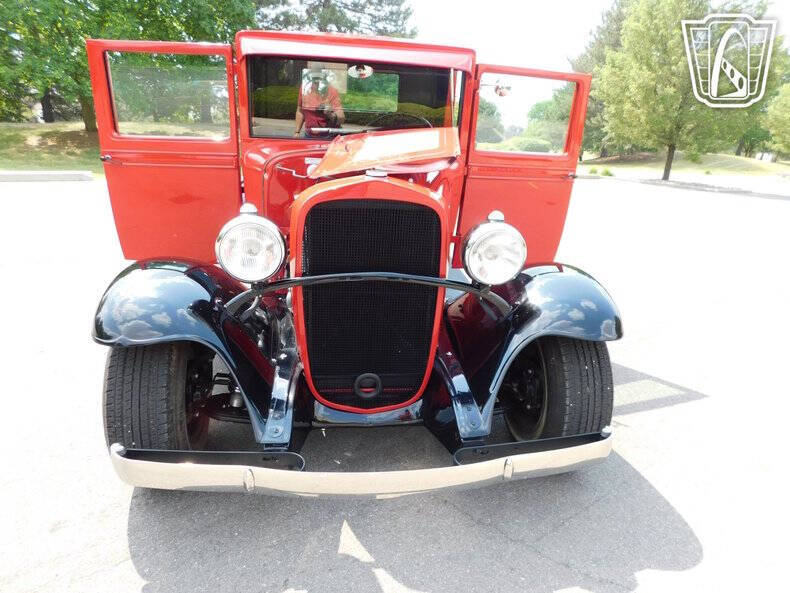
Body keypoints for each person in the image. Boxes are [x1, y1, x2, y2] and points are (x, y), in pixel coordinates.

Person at [294, 68, 345, 138]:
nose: (317, 82)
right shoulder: (305, 90)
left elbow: (341, 119)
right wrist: (297, 132)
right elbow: (300, 111)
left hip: (329, 136)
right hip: (309, 135)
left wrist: (330, 114)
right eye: (314, 79)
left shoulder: (332, 91)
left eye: (320, 79)